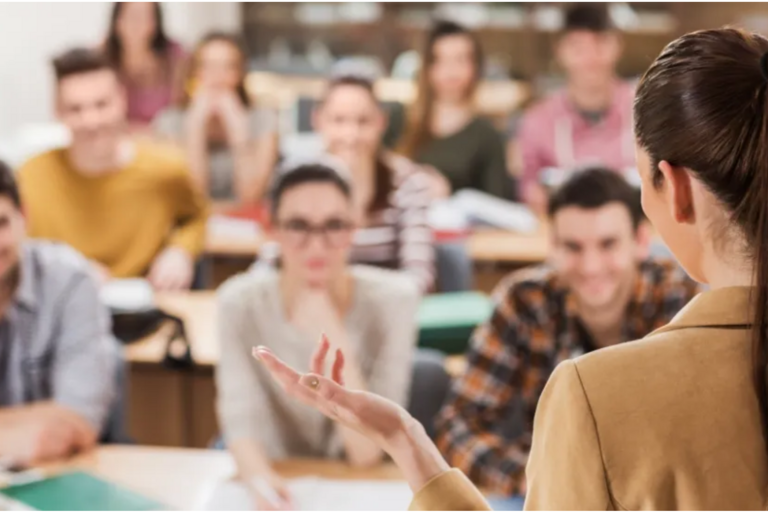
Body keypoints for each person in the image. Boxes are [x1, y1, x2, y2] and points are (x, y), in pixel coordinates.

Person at [252, 27, 768, 510]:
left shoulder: (592, 395)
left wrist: (405, 441)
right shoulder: (543, 322)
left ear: (674, 189)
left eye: (641, 180)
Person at [434, 167, 698, 498]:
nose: (591, 266)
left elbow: (697, 434)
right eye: (573, 247)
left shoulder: (679, 297)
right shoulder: (524, 301)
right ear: (552, 246)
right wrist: (531, 478)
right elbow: (458, 427)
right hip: (555, 491)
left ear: (641, 242)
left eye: (607, 244)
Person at [216, 163, 420, 510]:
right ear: (272, 229)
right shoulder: (238, 303)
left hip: (362, 488)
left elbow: (367, 453)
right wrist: (258, 480)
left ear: (354, 228)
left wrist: (335, 340)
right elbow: (240, 420)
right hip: (281, 479)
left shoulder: (396, 301)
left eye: (334, 226)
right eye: (298, 226)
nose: (317, 245)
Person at [17, 48, 208, 290]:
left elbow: (196, 217)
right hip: (62, 314)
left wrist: (181, 252)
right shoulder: (29, 179)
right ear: (58, 111)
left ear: (122, 100)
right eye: (75, 109)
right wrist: (66, 271)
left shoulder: (167, 170)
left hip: (147, 309)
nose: (91, 121)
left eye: (101, 105)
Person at [0, 159, 117, 467]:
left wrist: (59, 423)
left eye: (1, 224)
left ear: (23, 216)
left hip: (58, 473)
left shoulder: (68, 280)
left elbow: (79, 420)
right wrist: (31, 425)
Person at [311, 75, 434, 293]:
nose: (351, 135)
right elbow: (272, 265)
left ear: (381, 122)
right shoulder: (301, 183)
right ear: (318, 121)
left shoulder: (408, 182)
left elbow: (419, 276)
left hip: (385, 314)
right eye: (339, 120)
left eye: (363, 121)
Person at [516, 3, 635, 214]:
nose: (590, 58)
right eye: (578, 47)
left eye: (600, 44)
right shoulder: (538, 120)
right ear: (560, 50)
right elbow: (528, 188)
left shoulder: (645, 109)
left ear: (618, 45)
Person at [154, 32, 279, 205]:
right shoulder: (170, 122)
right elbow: (192, 196)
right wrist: (195, 127)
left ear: (240, 75)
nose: (217, 77)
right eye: (208, 67)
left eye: (228, 67)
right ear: (193, 73)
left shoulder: (263, 120)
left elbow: (251, 196)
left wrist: (238, 131)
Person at [398, 20, 508, 200]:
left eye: (461, 60)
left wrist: (449, 193)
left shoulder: (487, 136)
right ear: (427, 67)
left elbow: (497, 205)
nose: (451, 71)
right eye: (441, 60)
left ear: (476, 66)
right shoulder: (400, 120)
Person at [105, 2, 186, 128]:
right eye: (131, 15)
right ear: (117, 21)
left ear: (156, 23)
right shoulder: (101, 58)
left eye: (145, 16)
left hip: (163, 141)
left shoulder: (175, 57)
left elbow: (177, 113)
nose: (137, 23)